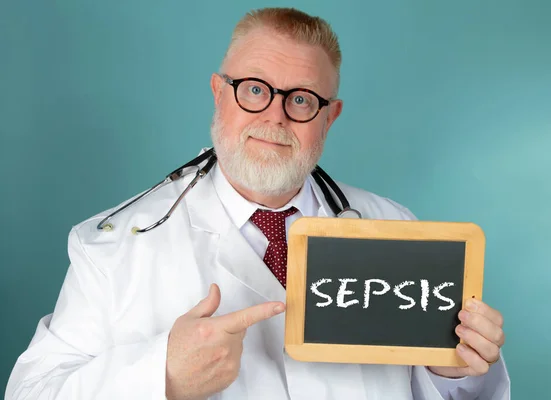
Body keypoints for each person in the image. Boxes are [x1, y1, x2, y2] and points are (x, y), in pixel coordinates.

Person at [5, 7, 510, 400]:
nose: (274, 118)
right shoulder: (114, 249)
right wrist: (161, 375)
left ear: (328, 117)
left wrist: (453, 371)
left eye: (300, 99)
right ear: (219, 94)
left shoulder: (395, 230)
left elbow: (458, 394)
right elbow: (31, 392)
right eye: (253, 90)